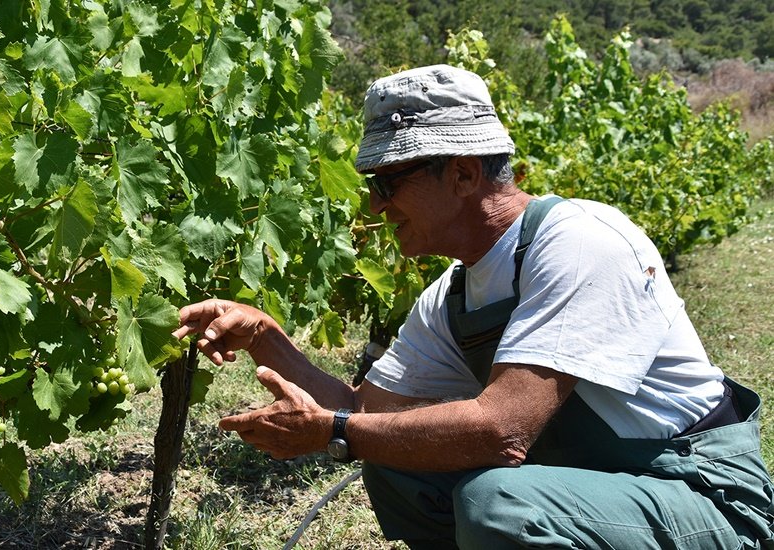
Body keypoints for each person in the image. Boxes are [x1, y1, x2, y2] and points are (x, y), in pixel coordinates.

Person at [173, 65, 774, 549]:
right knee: (395, 456)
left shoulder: (579, 241)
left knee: (498, 506)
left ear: (461, 174)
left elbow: (503, 431)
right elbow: (363, 409)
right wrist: (263, 336)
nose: (375, 208)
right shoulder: (451, 297)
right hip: (601, 491)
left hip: (698, 494)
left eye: (387, 183)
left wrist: (337, 434)